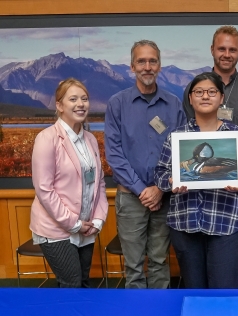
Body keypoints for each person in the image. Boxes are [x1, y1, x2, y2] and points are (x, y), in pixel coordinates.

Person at [182, 25, 238, 289]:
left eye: (232, 49)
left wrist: (231, 153)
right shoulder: (197, 87)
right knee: (201, 238)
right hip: (200, 180)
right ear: (212, 50)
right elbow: (187, 132)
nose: (227, 54)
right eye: (222, 48)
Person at [155, 72, 238, 289]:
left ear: (221, 98)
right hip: (186, 224)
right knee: (194, 290)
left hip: (227, 223)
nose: (205, 96)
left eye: (212, 92)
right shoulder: (177, 136)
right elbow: (160, 174)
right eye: (199, 92)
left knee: (223, 292)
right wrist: (171, 182)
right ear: (190, 98)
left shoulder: (236, 134)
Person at [104, 40, 186, 289]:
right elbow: (114, 155)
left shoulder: (174, 104)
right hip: (131, 199)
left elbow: (181, 153)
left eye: (152, 61)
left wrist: (160, 188)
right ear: (132, 66)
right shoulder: (117, 104)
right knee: (134, 266)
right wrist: (143, 190)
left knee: (161, 262)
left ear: (160, 66)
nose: (147, 66)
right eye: (142, 61)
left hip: (165, 198)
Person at [30, 78, 108, 288]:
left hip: (87, 227)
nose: (80, 104)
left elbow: (99, 183)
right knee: (71, 283)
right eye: (73, 99)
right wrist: (73, 224)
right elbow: (44, 190)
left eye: (84, 99)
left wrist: (99, 219)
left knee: (82, 282)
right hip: (56, 229)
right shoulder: (47, 139)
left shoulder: (90, 139)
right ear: (59, 105)